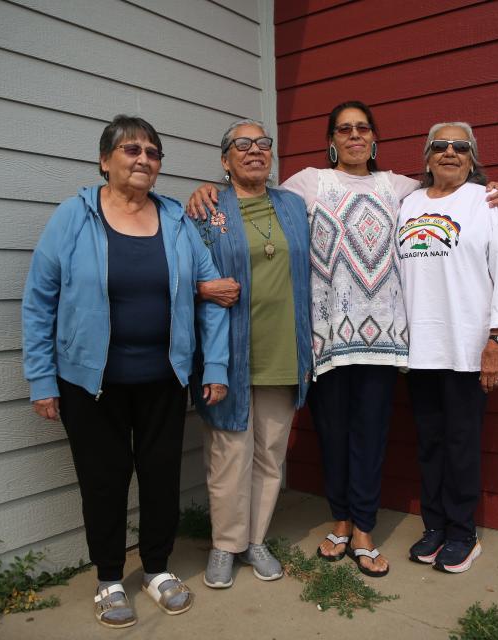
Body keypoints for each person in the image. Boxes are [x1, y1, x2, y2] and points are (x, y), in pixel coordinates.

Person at [188, 101, 498, 578]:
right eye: (344, 129)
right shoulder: (307, 183)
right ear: (332, 140)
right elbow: (253, 195)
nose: (355, 136)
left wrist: (496, 191)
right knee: (333, 437)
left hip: (384, 342)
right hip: (323, 341)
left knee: (371, 436)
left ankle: (363, 527)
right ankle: (339, 520)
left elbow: (450, 193)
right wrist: (207, 192)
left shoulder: (401, 188)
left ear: (375, 139)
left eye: (363, 128)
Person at [22, 115, 229, 628]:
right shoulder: (74, 217)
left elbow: (213, 296)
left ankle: (157, 569)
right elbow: (38, 301)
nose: (143, 159)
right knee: (104, 482)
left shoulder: (177, 221)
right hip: (89, 384)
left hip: (163, 378)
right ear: (105, 159)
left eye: (153, 153)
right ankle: (110, 579)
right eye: (131, 149)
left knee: (161, 478)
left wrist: (216, 363)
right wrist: (42, 379)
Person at [191, 119, 312, 589]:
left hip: (284, 348)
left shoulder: (294, 205)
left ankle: (255, 540)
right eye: (242, 145)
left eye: (264, 144)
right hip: (230, 353)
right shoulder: (206, 209)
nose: (255, 151)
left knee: (270, 453)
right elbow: (185, 272)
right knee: (228, 454)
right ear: (225, 160)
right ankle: (225, 544)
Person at [397, 121, 498, 574]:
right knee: (429, 443)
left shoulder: (488, 202)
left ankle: (462, 533)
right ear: (427, 156)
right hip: (418, 350)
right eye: (440, 146)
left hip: (468, 349)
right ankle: (435, 526)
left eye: (460, 147)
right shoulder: (406, 204)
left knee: (461, 443)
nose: (450, 152)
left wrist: (497, 340)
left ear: (472, 157)